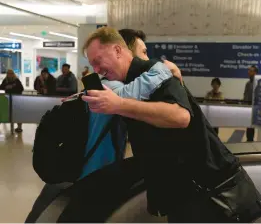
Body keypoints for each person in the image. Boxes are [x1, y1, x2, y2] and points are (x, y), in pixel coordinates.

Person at [82, 26, 261, 222]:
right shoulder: (129, 84)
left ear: (118, 50)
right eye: (93, 65)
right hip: (186, 197)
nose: (97, 70)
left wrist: (120, 105)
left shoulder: (156, 72)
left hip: (215, 195)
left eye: (98, 62)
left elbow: (180, 116)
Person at [25, 29, 182, 223]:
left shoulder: (100, 84)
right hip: (86, 177)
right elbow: (138, 92)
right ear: (124, 52)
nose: (146, 59)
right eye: (143, 53)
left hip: (78, 171)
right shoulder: (108, 87)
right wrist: (166, 68)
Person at [244, 65, 258, 142]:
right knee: (249, 125)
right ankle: (249, 140)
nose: (248, 72)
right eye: (248, 70)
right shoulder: (247, 83)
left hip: (256, 107)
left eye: (251, 70)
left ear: (255, 73)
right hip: (248, 107)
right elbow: (245, 95)